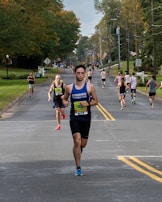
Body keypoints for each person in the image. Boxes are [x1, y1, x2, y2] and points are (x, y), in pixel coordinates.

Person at [62, 64, 98, 176]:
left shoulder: (90, 87)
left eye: (82, 73)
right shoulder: (69, 88)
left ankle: (78, 151)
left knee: (83, 143)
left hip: (86, 118)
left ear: (85, 74)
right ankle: (78, 167)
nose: (80, 75)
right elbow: (64, 99)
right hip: (75, 118)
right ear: (75, 73)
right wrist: (66, 103)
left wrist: (87, 103)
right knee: (76, 140)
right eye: (78, 73)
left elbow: (96, 101)